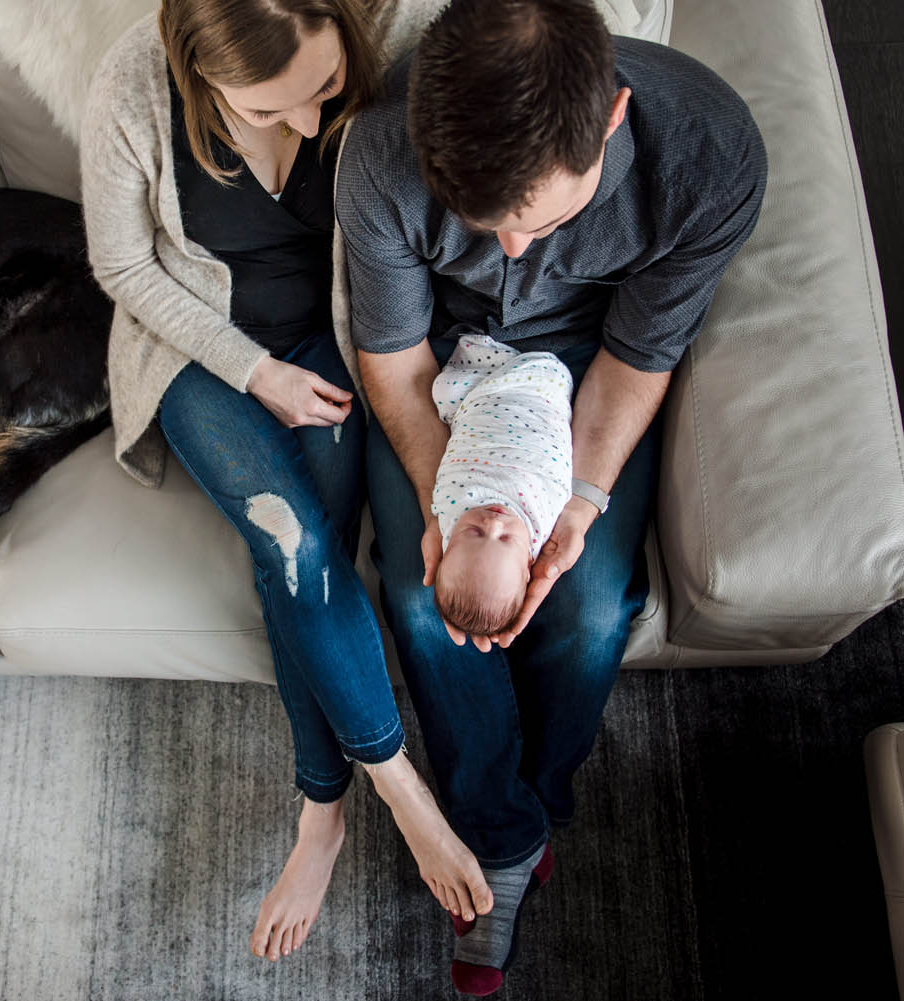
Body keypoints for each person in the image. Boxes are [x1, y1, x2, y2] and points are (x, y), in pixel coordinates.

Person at [336, 0, 766, 993]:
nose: (515, 257)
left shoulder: (705, 152)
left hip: (589, 365)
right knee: (416, 596)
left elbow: (636, 354)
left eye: (541, 218)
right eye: (487, 228)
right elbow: (392, 358)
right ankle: (499, 833)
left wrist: (572, 504)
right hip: (443, 369)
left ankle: (540, 796)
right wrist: (449, 500)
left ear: (609, 119)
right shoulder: (379, 152)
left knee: (583, 610)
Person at [80, 0, 492, 965]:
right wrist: (251, 370)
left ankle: (319, 810)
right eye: (272, 110)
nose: (309, 124)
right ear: (197, 71)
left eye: (322, 94)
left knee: (306, 561)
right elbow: (120, 263)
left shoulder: (373, 40)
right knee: (290, 540)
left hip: (332, 342)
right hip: (199, 350)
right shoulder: (131, 87)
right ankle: (384, 792)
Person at [430, 334, 574, 636]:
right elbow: (559, 477)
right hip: (537, 396)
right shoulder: (542, 522)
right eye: (507, 540)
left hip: (485, 405)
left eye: (474, 532)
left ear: (448, 544)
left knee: (444, 389)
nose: (494, 523)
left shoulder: (449, 510)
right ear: (527, 569)